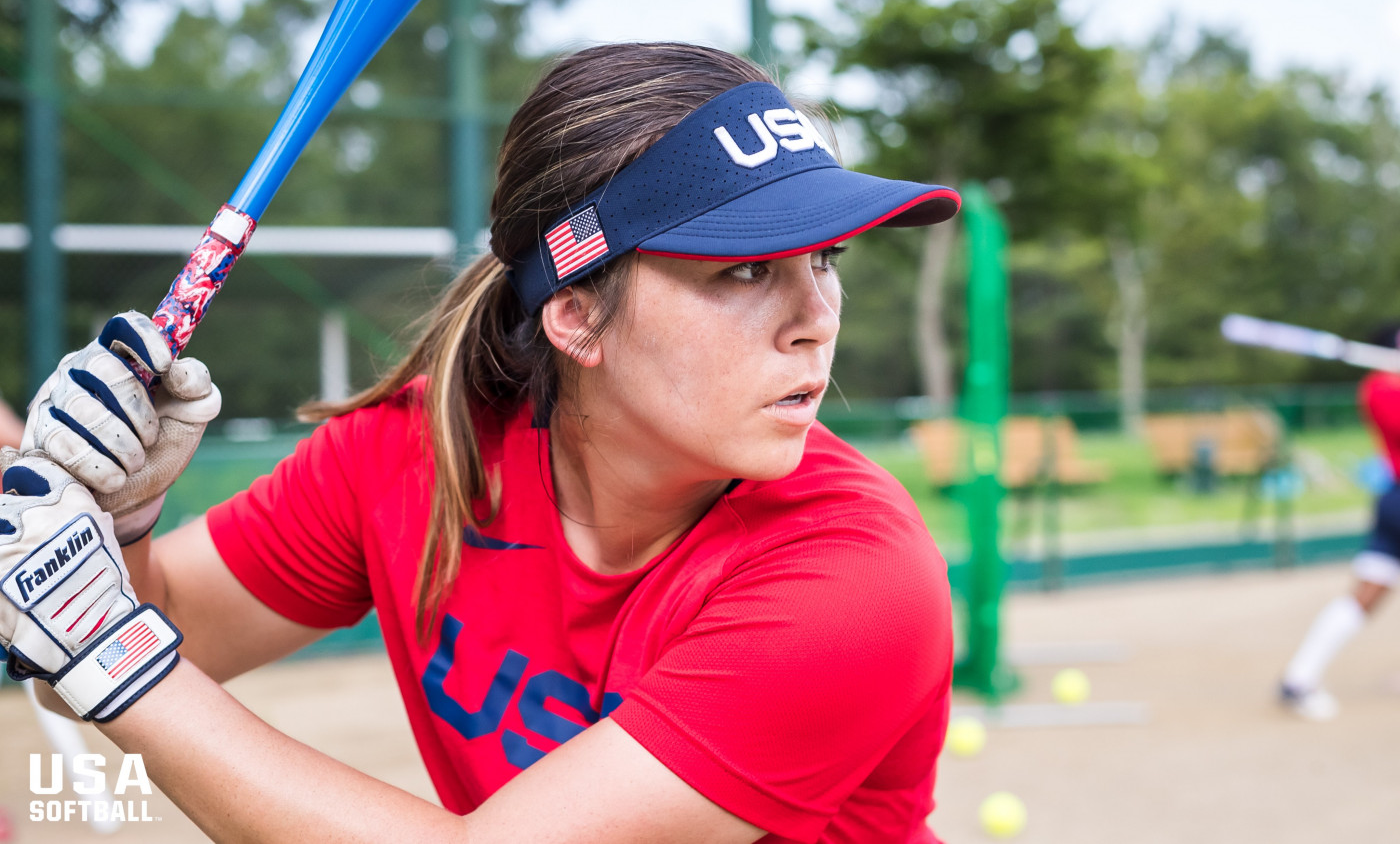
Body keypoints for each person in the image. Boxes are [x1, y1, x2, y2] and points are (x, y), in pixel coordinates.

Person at [0, 43, 960, 842]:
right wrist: (121, 526)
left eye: (824, 258)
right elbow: (130, 661)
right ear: (576, 317)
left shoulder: (854, 575)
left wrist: (108, 647)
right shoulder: (418, 448)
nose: (813, 319)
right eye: (746, 267)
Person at [1279, 323, 1400, 721]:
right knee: (1363, 595)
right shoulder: (1380, 390)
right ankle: (1300, 679)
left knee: (1371, 589)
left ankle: (1299, 677)